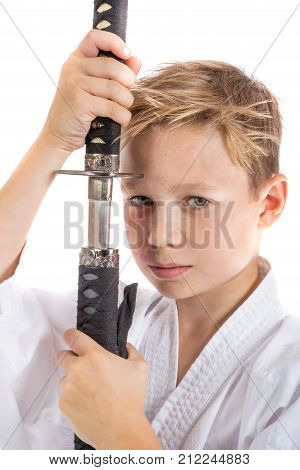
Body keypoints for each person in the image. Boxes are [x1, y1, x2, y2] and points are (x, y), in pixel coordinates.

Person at [0, 28, 299, 450]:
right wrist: (55, 140)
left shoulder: (291, 380)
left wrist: (123, 434)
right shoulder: (95, 322)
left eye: (197, 201)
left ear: (268, 202)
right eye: (140, 198)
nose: (159, 235)